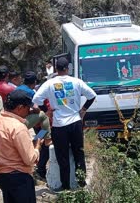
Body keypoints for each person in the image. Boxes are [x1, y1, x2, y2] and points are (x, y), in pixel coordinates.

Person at [33, 57, 97, 190]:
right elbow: (92, 95)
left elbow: (36, 99)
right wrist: (83, 110)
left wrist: (47, 110)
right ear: (68, 69)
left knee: (62, 157)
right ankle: (81, 183)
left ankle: (66, 187)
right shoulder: (77, 81)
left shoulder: (50, 83)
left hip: (59, 125)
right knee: (79, 153)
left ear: (56, 69)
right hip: (75, 122)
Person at [0, 90, 43, 203]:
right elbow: (30, 159)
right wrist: (37, 147)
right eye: (27, 107)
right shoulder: (18, 127)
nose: (29, 110)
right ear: (20, 107)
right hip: (19, 177)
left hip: (1, 176)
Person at [17, 71, 51, 180]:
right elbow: (39, 109)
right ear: (34, 82)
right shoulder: (33, 93)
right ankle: (40, 169)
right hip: (36, 124)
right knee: (43, 143)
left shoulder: (17, 89)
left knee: (37, 140)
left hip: (19, 121)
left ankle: (37, 166)